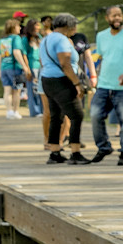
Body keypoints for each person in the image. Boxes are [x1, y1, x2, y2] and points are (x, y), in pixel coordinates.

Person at [89, 5, 123, 164]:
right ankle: (104, 146)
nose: (117, 18)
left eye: (119, 15)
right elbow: (103, 57)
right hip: (104, 85)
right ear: (107, 18)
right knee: (95, 115)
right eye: (114, 16)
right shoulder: (101, 36)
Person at [39, 12, 89, 164]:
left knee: (56, 116)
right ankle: (75, 152)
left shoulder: (46, 39)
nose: (75, 29)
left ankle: (54, 153)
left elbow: (42, 60)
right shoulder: (61, 40)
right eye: (74, 26)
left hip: (47, 79)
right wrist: (77, 83)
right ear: (68, 26)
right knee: (77, 115)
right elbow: (65, 63)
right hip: (62, 80)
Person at [0, 18, 31, 118]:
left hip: (4, 68)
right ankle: (15, 111)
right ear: (13, 27)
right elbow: (16, 52)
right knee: (17, 90)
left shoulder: (2, 40)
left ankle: (9, 111)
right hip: (15, 68)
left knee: (7, 91)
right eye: (18, 26)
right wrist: (24, 66)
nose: (20, 28)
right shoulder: (16, 38)